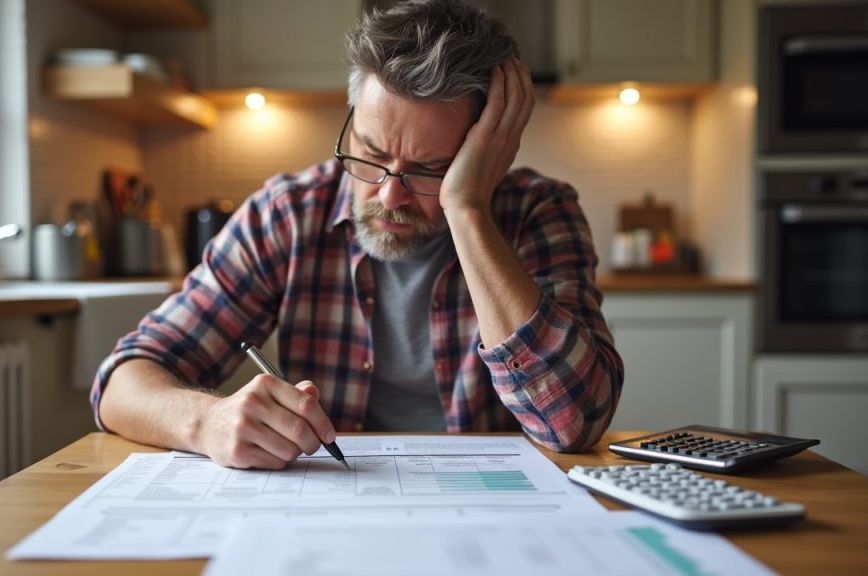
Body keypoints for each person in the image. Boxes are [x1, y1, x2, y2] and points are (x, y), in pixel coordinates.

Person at [91, 0, 623, 470]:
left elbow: (572, 425)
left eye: (428, 169)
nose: (389, 196)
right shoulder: (288, 213)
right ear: (350, 123)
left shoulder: (538, 211)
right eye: (369, 154)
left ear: (488, 153)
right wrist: (207, 421)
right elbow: (120, 386)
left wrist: (468, 209)